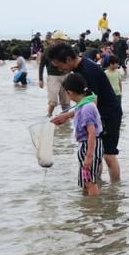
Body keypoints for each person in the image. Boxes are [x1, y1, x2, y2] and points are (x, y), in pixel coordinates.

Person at [47, 42, 122, 181]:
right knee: (96, 153)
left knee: (108, 155)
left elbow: (92, 104)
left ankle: (115, 191)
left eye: (59, 65)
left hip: (109, 114)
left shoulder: (88, 71)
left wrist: (67, 115)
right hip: (99, 114)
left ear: (68, 59)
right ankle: (97, 185)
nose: (59, 69)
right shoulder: (80, 68)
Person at [62, 73, 103, 195]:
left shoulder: (87, 108)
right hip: (86, 145)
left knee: (90, 182)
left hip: (89, 146)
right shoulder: (84, 104)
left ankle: (94, 205)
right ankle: (87, 205)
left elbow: (92, 133)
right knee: (86, 180)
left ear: (69, 92)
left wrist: (89, 157)